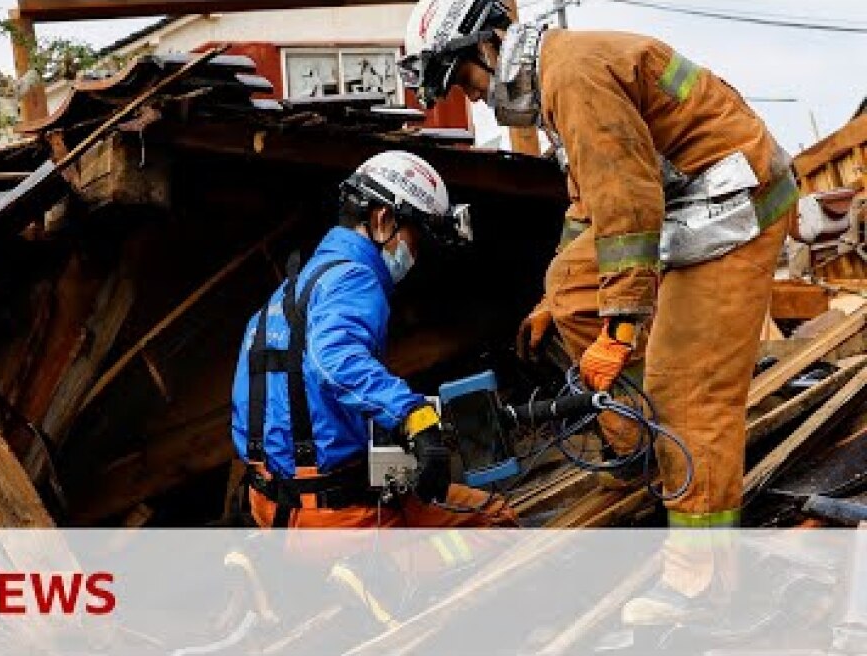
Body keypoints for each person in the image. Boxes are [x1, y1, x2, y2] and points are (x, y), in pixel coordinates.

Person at [400, 0, 798, 625]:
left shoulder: (573, 77)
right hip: (683, 197)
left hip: (735, 205)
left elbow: (628, 208)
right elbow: (587, 206)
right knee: (567, 280)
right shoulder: (556, 76)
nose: (473, 100)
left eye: (465, 81)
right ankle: (638, 444)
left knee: (688, 391)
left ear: (487, 47)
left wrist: (617, 327)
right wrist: (552, 301)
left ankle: (702, 580)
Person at [230, 150, 518, 532]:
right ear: (383, 220)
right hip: (332, 514)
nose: (414, 254)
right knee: (493, 518)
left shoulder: (298, 286)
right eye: (416, 238)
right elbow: (333, 358)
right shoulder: (354, 278)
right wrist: (412, 418)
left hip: (269, 501)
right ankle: (381, 580)